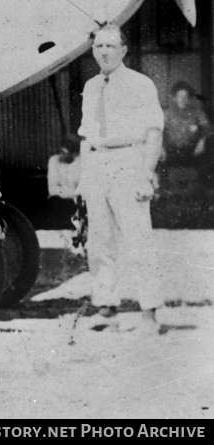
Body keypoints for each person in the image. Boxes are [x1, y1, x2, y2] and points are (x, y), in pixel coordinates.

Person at [76, 25, 164, 333]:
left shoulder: (140, 84)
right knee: (99, 241)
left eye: (111, 46)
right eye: (99, 46)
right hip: (97, 164)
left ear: (124, 50)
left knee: (139, 238)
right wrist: (83, 180)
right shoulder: (90, 86)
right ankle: (107, 308)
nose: (104, 51)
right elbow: (86, 136)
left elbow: (154, 132)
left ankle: (149, 312)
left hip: (128, 160)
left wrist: (146, 175)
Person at [161, 81, 211, 187]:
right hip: (172, 151)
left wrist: (202, 141)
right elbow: (158, 130)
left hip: (191, 151)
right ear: (174, 97)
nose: (183, 99)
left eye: (186, 97)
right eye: (180, 96)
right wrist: (161, 147)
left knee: (194, 180)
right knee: (171, 179)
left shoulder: (196, 112)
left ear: (189, 99)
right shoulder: (167, 113)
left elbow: (208, 127)